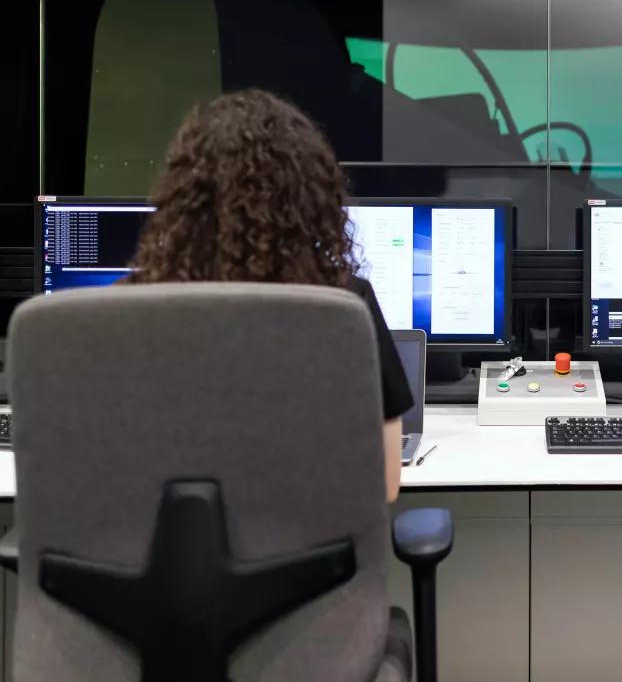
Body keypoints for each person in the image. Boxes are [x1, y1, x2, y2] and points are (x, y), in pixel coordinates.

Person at [123, 88, 413, 501]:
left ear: (181, 196)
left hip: (159, 561)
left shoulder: (121, 312)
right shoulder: (344, 308)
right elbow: (383, 485)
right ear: (309, 198)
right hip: (307, 561)